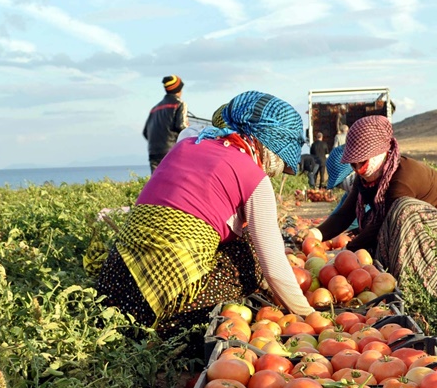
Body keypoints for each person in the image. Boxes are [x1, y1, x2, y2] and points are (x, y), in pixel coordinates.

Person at [98, 90, 313, 336]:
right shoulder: (253, 177)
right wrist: (308, 317)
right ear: (268, 145)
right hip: (163, 302)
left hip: (115, 286)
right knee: (248, 256)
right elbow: (273, 266)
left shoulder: (186, 145)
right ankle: (176, 327)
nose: (275, 172)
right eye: (280, 162)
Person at [310, 115, 437, 293]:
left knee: (402, 209)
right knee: (384, 220)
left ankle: (420, 288)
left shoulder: (403, 175)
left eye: (362, 161)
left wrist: (345, 252)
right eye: (353, 164)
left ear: (381, 152)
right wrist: (315, 235)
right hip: (427, 229)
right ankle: (385, 279)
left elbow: (382, 223)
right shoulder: (366, 179)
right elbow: (344, 215)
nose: (357, 168)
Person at [143, 75, 188, 172]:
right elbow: (181, 126)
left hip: (153, 152)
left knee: (156, 183)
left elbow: (145, 132)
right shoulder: (179, 104)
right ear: (179, 89)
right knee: (173, 181)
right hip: (171, 151)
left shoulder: (154, 109)